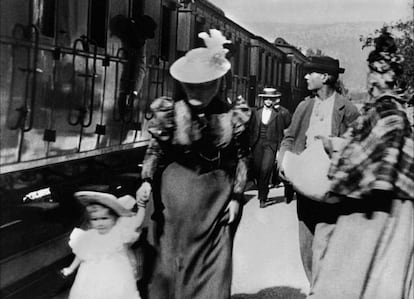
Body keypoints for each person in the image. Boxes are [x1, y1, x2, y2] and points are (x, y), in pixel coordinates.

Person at [136, 29, 251, 299]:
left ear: (219, 83)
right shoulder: (170, 113)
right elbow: (156, 150)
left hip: (215, 199)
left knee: (213, 267)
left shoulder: (232, 116)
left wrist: (236, 196)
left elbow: (242, 157)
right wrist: (146, 179)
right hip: (175, 199)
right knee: (170, 261)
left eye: (207, 85)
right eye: (193, 85)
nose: (199, 91)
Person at [308, 30, 414, 299]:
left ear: (381, 77)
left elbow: (370, 163)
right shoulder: (391, 112)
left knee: (356, 279)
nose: (370, 80)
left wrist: (340, 154)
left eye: (374, 74)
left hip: (374, 213)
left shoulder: (385, 112)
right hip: (389, 210)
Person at [277, 56, 360, 283]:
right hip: (305, 189)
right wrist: (283, 159)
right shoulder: (304, 106)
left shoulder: (348, 109)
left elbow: (358, 148)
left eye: (310, 72)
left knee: (329, 250)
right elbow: (289, 137)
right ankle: (315, 288)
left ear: (325, 77)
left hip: (332, 193)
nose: (305, 76)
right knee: (306, 248)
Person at [61, 188, 148, 299]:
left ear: (115, 218)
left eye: (104, 218)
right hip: (91, 274)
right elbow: (81, 254)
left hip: (116, 273)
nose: (100, 223)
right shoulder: (89, 236)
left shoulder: (119, 232)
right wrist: (71, 268)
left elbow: (136, 222)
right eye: (95, 219)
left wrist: (142, 206)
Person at [249, 87, 291, 208]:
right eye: (266, 98)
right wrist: (250, 145)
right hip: (257, 144)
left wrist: (279, 149)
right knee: (257, 170)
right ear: (263, 99)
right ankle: (262, 191)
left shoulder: (279, 114)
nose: (268, 101)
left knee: (265, 170)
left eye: (271, 99)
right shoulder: (256, 112)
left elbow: (281, 132)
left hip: (271, 145)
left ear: (274, 100)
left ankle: (263, 197)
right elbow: (251, 129)